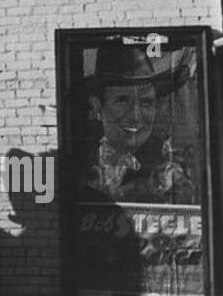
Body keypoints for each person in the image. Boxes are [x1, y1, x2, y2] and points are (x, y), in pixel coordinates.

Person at [80, 43, 197, 204]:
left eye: (146, 102)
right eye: (122, 100)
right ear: (97, 107)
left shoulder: (166, 169)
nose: (136, 116)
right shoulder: (79, 161)